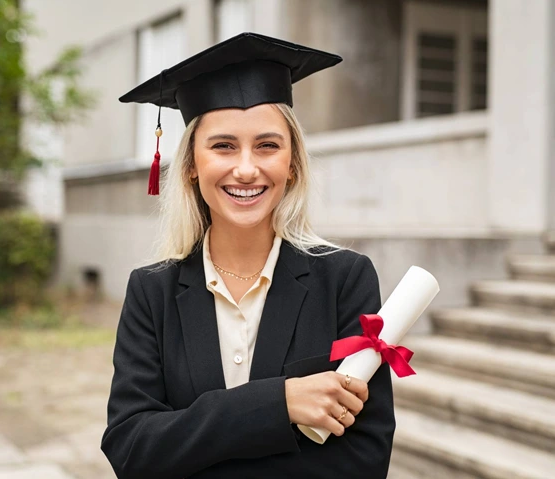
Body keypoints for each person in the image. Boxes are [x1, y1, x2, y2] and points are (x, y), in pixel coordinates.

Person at [101, 32, 395, 479]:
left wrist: (195, 446)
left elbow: (364, 459)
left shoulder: (345, 280)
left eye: (267, 145)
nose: (245, 168)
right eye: (223, 146)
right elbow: (132, 448)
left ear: (292, 162)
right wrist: (280, 404)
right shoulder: (151, 291)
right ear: (191, 165)